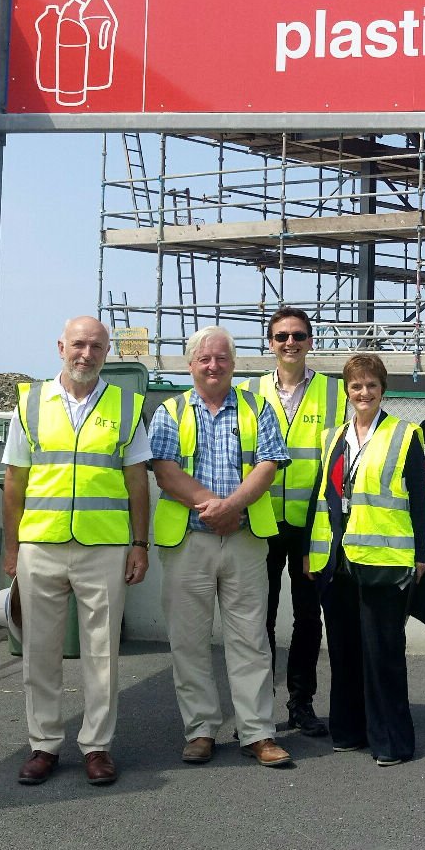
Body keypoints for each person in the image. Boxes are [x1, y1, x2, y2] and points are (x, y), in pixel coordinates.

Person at [2, 315, 151, 787]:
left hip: (104, 546)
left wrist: (139, 544)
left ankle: (97, 746)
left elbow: (136, 483)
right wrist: (12, 549)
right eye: (78, 345)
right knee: (39, 652)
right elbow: (14, 482)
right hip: (41, 545)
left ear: (108, 353)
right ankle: (43, 744)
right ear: (60, 346)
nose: (86, 354)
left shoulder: (127, 406)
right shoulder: (30, 403)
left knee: (102, 653)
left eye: (97, 347)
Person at [149, 325, 293, 767]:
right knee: (188, 641)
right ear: (191, 364)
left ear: (233, 362)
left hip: (245, 539)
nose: (214, 366)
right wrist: (212, 507)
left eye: (222, 358)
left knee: (250, 639)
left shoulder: (257, 407)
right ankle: (200, 731)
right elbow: (164, 470)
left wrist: (232, 507)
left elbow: (269, 465)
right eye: (204, 359)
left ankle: (257, 733)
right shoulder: (170, 412)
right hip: (189, 540)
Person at [304, 354, 425, 766]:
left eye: (371, 385)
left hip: (383, 558)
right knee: (343, 650)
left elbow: (419, 501)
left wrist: (421, 557)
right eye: (356, 386)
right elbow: (320, 498)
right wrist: (310, 551)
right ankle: (349, 730)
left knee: (383, 652)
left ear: (383, 390)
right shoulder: (332, 438)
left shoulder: (404, 434)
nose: (364, 392)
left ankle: (391, 742)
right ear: (347, 391)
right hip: (335, 559)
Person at [239, 307, 347, 738]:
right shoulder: (247, 391)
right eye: (281, 336)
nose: (290, 343)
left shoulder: (335, 393)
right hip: (261, 520)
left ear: (310, 341)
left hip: (309, 524)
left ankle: (301, 704)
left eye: (298, 335)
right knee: (257, 617)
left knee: (307, 616)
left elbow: (343, 459)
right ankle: (256, 709)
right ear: (270, 342)